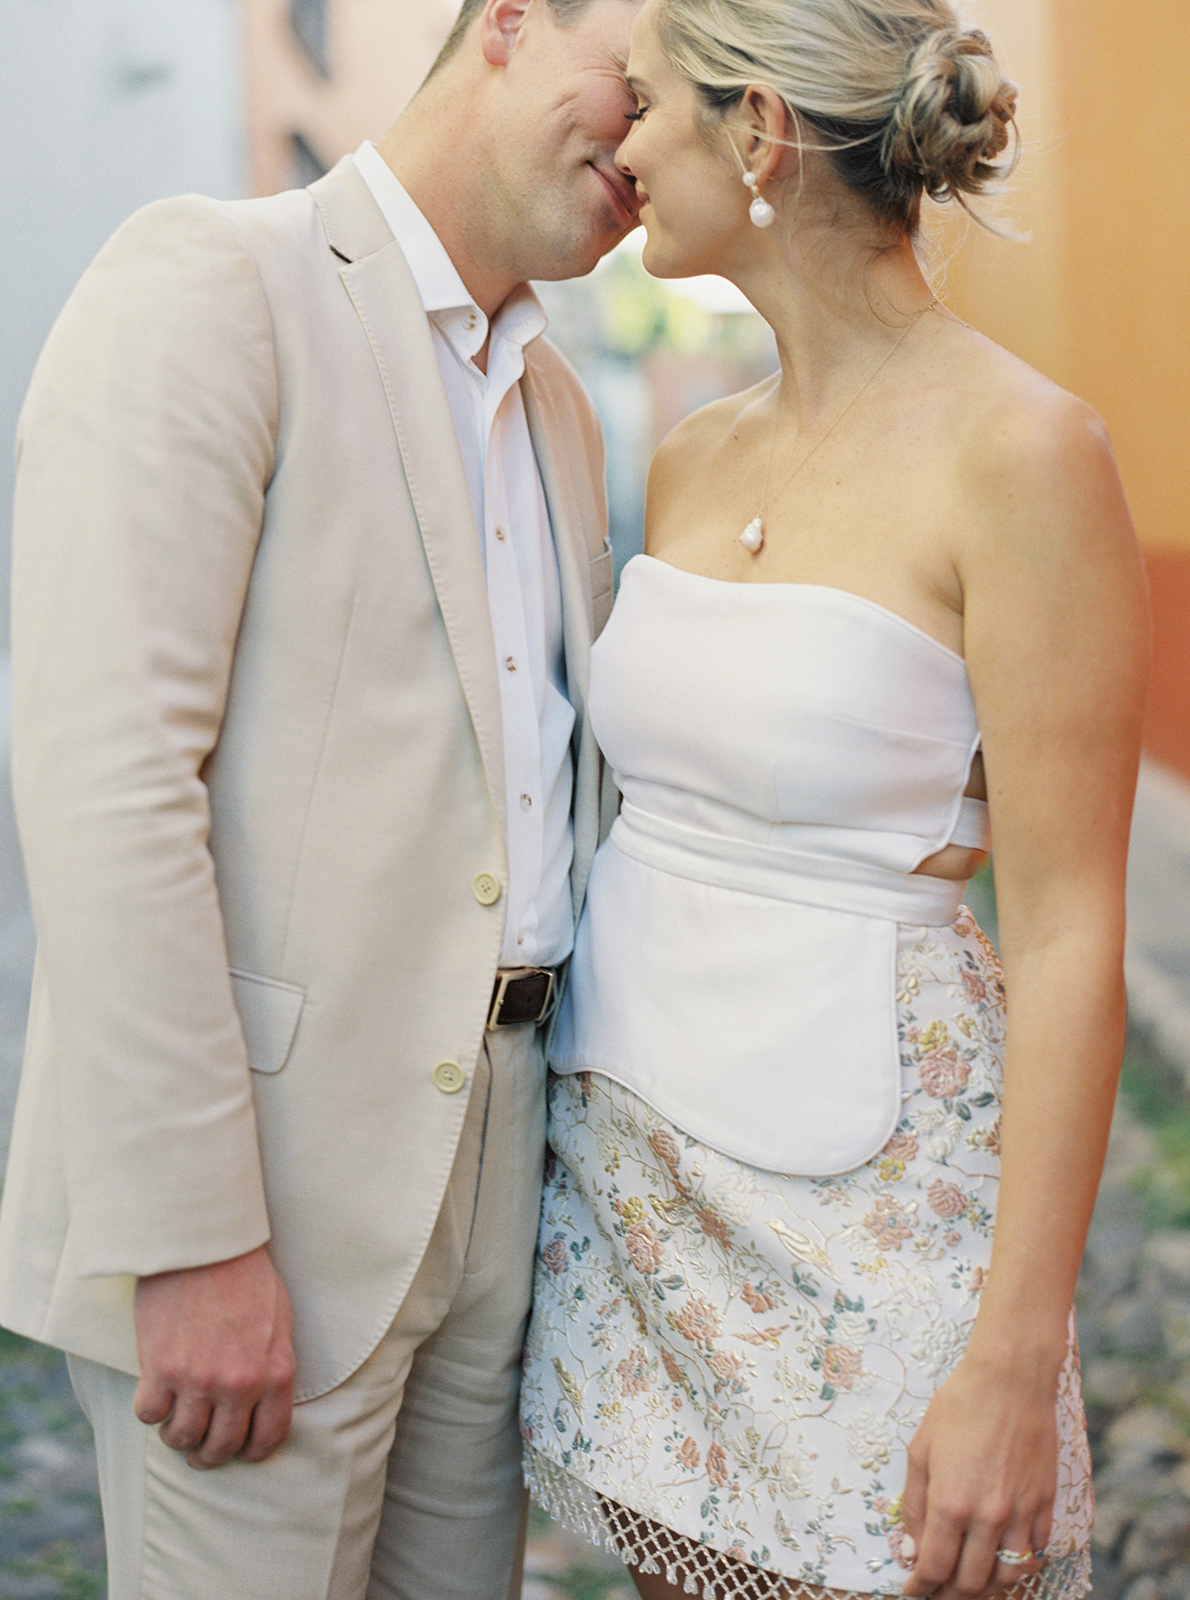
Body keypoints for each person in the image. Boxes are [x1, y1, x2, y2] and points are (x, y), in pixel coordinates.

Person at [0, 1, 645, 1595]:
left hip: (500, 1176)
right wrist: (193, 1236)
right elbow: (108, 784)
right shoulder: (216, 281)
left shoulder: (561, 406)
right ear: (508, 21)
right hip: (269, 1188)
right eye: (638, 78)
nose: (652, 143)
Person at [519, 1, 1148, 1596]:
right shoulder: (687, 456)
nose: (622, 139)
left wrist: (1012, 1359)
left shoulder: (1023, 453)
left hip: (879, 1214)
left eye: (651, 104)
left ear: (759, 132)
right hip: (638, 1195)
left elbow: (1071, 933)